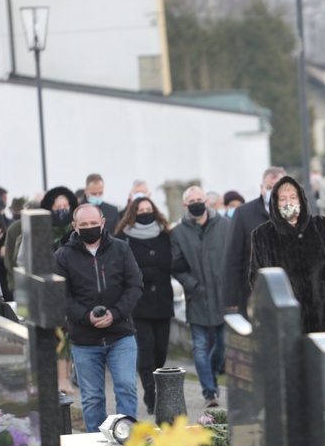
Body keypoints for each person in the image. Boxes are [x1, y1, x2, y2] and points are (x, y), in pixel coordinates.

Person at [54, 204, 142, 432]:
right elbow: (61, 296)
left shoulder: (121, 249)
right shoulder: (63, 256)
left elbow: (134, 286)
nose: (90, 228)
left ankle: (127, 439)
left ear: (103, 223)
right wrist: (86, 316)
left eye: (94, 223)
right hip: (85, 339)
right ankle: (96, 443)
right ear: (75, 226)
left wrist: (115, 313)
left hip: (120, 334)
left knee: (126, 387)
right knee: (92, 398)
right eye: (84, 225)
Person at [249, 176, 325, 343]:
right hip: (286, 322)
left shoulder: (320, 226)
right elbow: (257, 279)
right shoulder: (263, 236)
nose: (288, 202)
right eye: (283, 199)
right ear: (275, 203)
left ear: (301, 200)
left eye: (293, 197)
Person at [170, 185, 229, 408]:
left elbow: (233, 258)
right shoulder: (178, 233)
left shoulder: (225, 225)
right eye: (191, 200)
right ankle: (209, 391)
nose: (196, 202)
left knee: (222, 344)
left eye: (199, 198)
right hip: (196, 297)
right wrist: (192, 285)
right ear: (185, 205)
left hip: (222, 296)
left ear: (206, 201)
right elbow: (175, 266)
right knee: (200, 346)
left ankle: (212, 373)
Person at [115, 197, 173, 415]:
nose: (146, 213)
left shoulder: (165, 234)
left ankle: (156, 384)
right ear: (133, 213)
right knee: (145, 351)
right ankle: (150, 392)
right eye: (141, 210)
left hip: (163, 302)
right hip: (138, 304)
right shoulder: (124, 237)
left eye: (149, 209)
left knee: (161, 351)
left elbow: (173, 261)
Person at [223, 167, 286, 317]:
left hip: (289, 292)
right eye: (270, 187)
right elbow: (233, 257)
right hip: (253, 294)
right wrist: (230, 298)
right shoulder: (243, 214)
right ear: (262, 188)